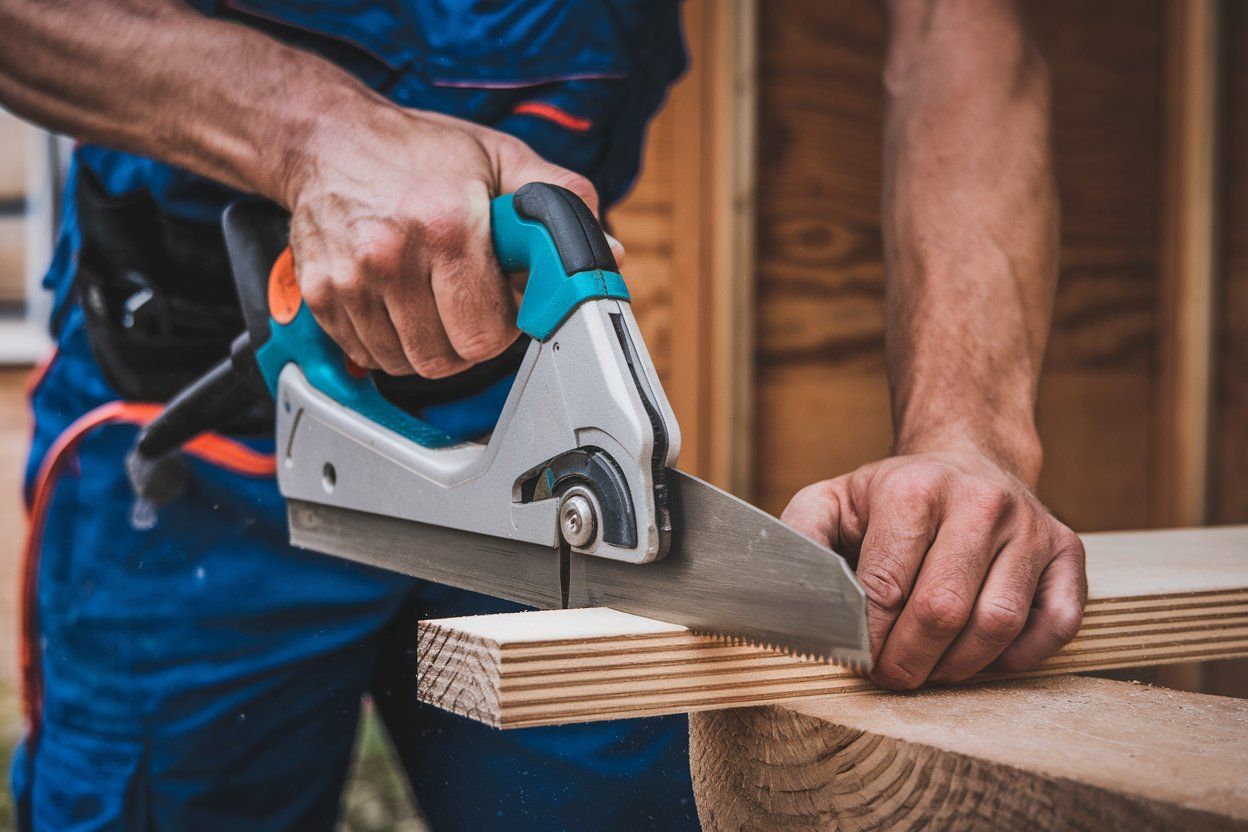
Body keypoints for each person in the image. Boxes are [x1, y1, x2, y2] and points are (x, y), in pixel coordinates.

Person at [0, 0, 1085, 828]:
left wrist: (967, 434)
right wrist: (313, 130)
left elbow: (961, 33)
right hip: (215, 424)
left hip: (533, 448)